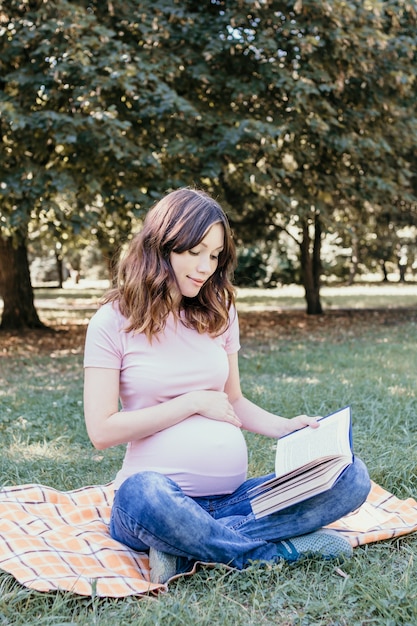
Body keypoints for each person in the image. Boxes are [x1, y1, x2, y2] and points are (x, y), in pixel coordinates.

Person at [83, 188, 371, 584]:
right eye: (196, 251)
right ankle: (272, 551)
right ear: (162, 244)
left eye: (215, 255)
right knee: (143, 492)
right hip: (157, 502)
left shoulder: (219, 309)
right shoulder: (112, 322)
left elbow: (234, 400)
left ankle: (186, 550)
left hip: (232, 504)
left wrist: (288, 427)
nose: (205, 267)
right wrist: (193, 402)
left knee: (350, 476)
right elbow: (101, 430)